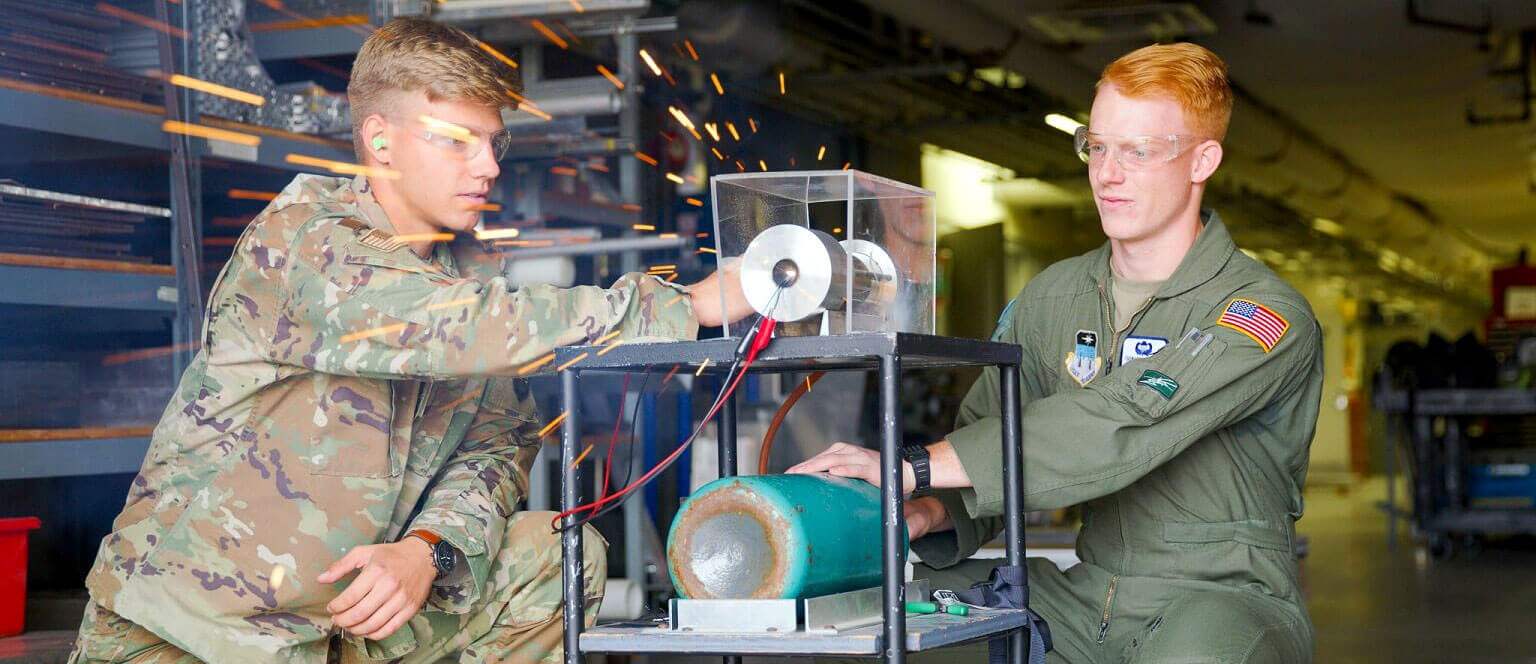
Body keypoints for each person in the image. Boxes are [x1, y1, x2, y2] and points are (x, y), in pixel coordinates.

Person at [71, 17, 750, 664]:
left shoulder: (463, 274)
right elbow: (460, 326)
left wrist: (428, 549)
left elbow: (498, 445)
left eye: (494, 142)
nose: (486, 165)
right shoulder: (308, 242)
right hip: (187, 637)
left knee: (556, 556)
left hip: (335, 629)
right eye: (456, 140)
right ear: (381, 140)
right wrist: (689, 303)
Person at [791, 42, 1322, 663]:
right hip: (1088, 596)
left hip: (1225, 596)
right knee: (871, 609)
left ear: (1203, 159)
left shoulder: (1262, 312)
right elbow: (991, 433)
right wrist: (928, 511)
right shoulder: (1053, 299)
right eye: (1096, 146)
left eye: (1138, 151)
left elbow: (1125, 418)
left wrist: (915, 465)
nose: (1107, 173)